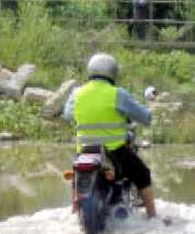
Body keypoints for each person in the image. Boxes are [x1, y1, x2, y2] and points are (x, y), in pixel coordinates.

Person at [63, 53, 157, 219]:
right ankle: (153, 216)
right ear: (112, 72)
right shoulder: (117, 94)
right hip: (114, 151)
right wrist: (148, 113)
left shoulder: (76, 93)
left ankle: (74, 211)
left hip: (85, 150)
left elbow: (68, 116)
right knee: (143, 173)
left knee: (77, 174)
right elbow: (145, 117)